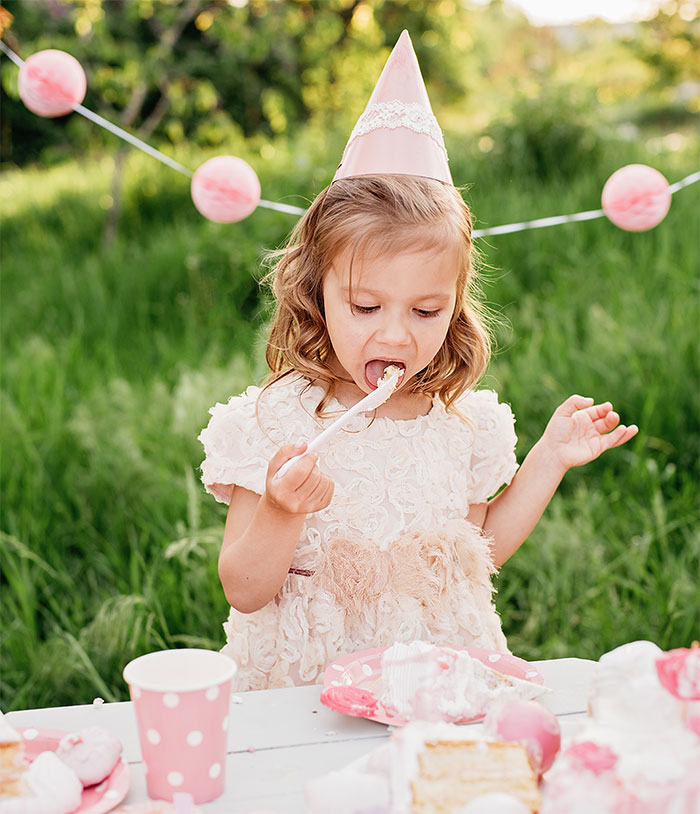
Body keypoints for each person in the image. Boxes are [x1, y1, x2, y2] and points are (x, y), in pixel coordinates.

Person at [198, 32, 637, 691]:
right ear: (318, 293)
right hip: (311, 690)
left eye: (425, 312)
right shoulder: (280, 422)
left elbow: (477, 550)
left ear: (455, 305)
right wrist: (283, 512)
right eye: (367, 307)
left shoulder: (458, 423)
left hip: (436, 677)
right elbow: (246, 590)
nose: (397, 336)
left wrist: (547, 461)